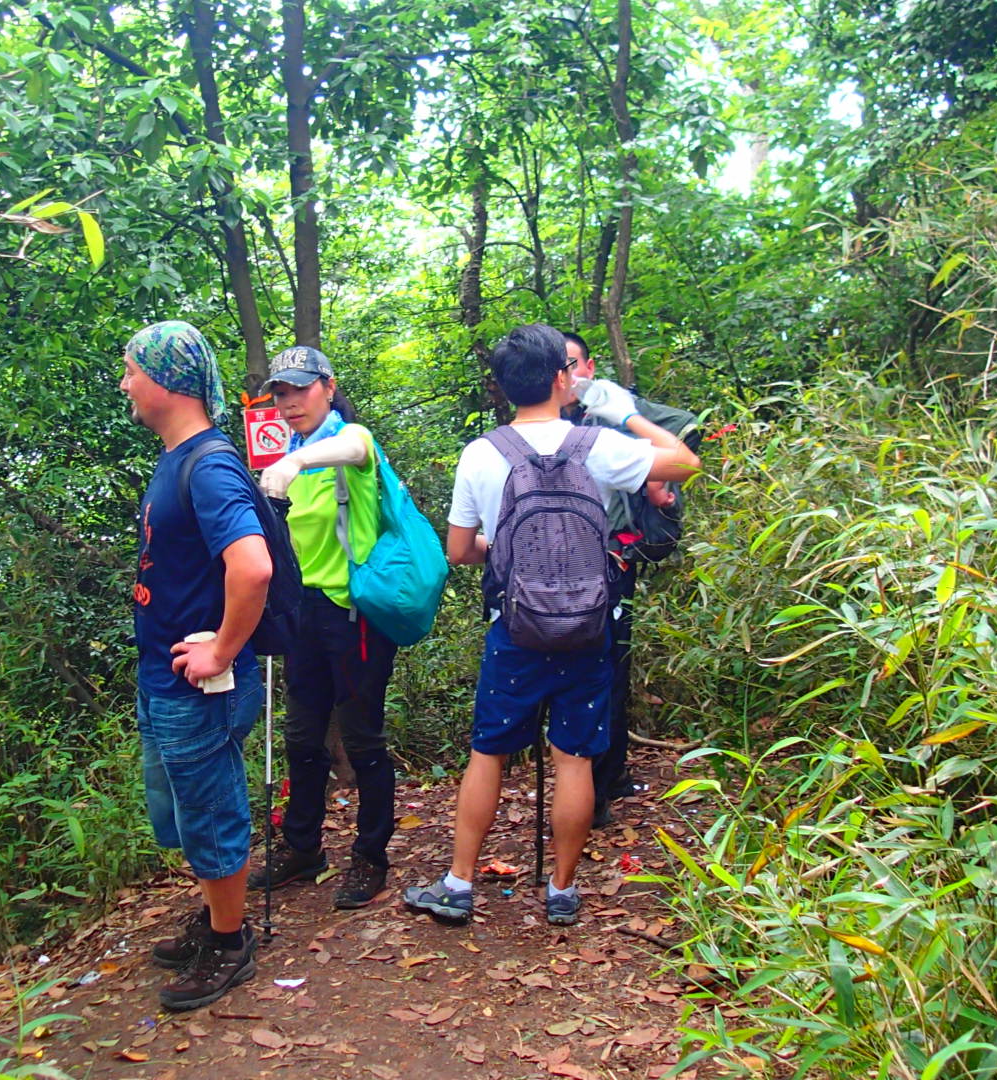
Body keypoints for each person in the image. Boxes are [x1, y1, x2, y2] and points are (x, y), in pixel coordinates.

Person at [403, 324, 700, 927]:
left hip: (515, 629)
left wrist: (506, 552)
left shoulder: (482, 453)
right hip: (590, 627)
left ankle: (459, 884)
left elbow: (459, 550)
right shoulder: (597, 444)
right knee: (573, 760)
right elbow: (685, 461)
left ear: (502, 388)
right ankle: (561, 892)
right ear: (564, 378)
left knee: (487, 753)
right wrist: (626, 413)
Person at [121, 320, 271, 1012]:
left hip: (199, 684)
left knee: (209, 813)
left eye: (131, 371)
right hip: (166, 678)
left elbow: (252, 565)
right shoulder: (177, 457)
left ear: (167, 381)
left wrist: (223, 649)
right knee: (178, 813)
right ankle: (218, 918)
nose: (125, 384)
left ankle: (231, 940)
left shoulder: (207, 465)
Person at [247, 345, 399, 908]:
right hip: (303, 613)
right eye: (280, 394)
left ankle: (370, 856)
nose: (289, 403)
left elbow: (357, 445)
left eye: (300, 390)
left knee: (361, 738)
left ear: (328, 388)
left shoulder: (347, 444)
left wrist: (295, 463)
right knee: (302, 736)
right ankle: (302, 847)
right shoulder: (287, 450)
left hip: (354, 614)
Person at [560, 332, 698, 828]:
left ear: (590, 367)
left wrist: (655, 480)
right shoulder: (544, 420)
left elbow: (683, 432)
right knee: (586, 672)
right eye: (559, 366)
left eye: (573, 364)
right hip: (560, 564)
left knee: (610, 669)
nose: (568, 376)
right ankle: (596, 780)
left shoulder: (610, 411)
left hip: (613, 560)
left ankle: (601, 785)